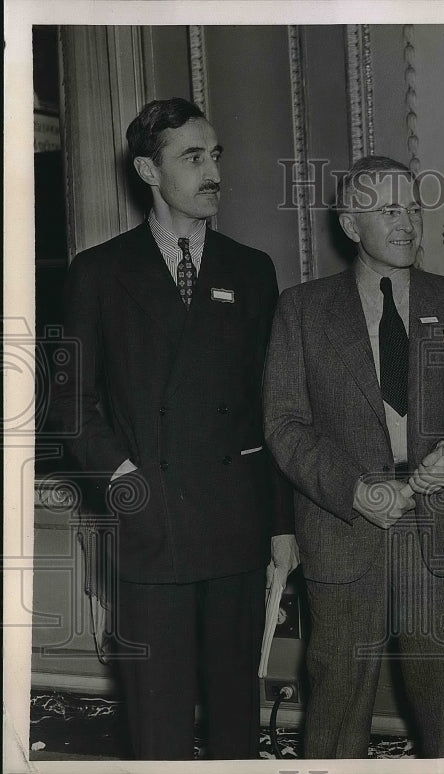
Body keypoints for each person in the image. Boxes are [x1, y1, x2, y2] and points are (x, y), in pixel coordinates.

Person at [50, 97, 298, 759]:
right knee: (157, 728)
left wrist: (280, 525)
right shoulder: (98, 273)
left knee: (235, 726)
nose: (212, 170)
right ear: (148, 171)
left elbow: (268, 408)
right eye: (193, 156)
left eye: (216, 154)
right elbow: (70, 406)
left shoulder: (251, 270)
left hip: (236, 528)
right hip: (150, 529)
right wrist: (128, 483)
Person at [262, 155, 444, 758]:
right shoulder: (302, 310)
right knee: (338, 708)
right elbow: (285, 424)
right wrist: (354, 489)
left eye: (413, 208)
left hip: (437, 536)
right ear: (351, 224)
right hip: (347, 534)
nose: (406, 223)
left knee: (443, 713)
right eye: (387, 210)